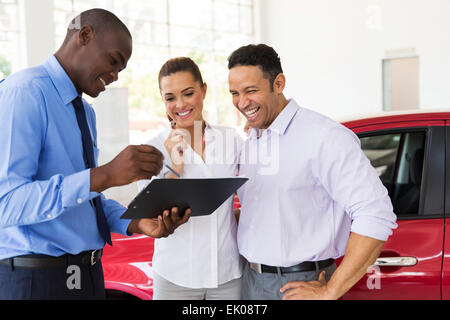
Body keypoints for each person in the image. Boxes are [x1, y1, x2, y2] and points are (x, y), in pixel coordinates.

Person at [0, 9, 189, 300]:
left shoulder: (85, 112)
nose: (114, 76)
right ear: (84, 36)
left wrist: (135, 222)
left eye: (120, 70)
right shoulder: (25, 92)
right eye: (113, 61)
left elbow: (84, 198)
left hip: (87, 275)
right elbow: (6, 203)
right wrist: (106, 175)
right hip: (37, 279)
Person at [227, 44, 398, 300]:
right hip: (250, 281)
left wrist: (331, 291)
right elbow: (268, 209)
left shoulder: (324, 136)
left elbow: (376, 214)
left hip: (299, 285)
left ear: (279, 83)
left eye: (251, 91)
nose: (242, 102)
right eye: (234, 93)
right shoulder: (251, 141)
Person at [137, 57, 243, 300]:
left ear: (203, 91)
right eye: (170, 97)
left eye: (188, 93)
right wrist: (175, 166)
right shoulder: (151, 150)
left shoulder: (231, 141)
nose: (180, 104)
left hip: (226, 274)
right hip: (176, 276)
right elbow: (153, 214)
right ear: (163, 100)